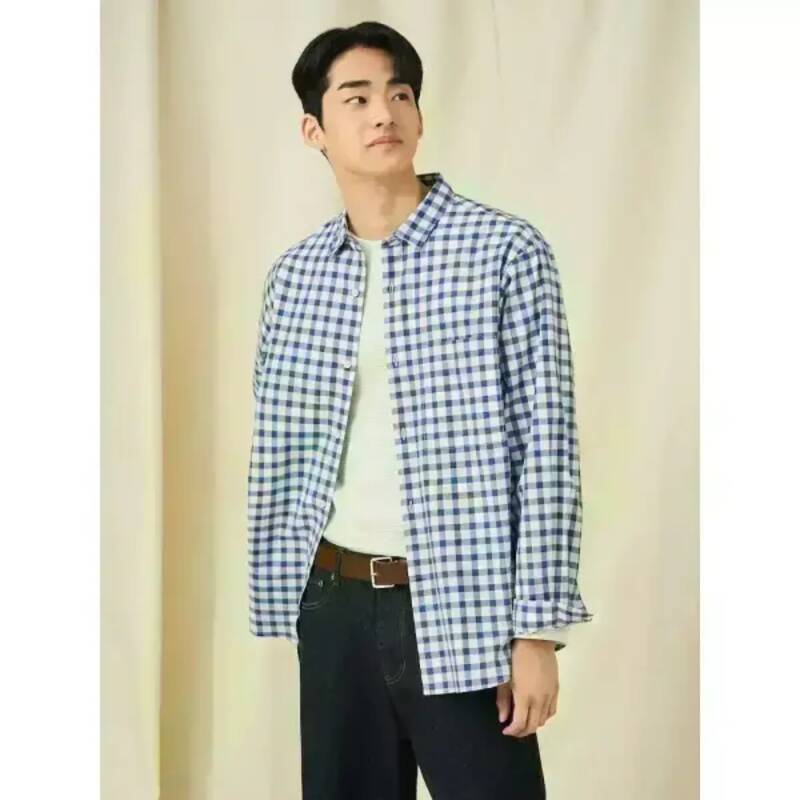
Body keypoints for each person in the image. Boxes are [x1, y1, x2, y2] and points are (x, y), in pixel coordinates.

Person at [248, 20, 594, 799]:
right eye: (357, 97)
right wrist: (293, 593)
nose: (384, 113)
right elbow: (282, 454)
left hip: (463, 601)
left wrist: (536, 631)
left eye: (399, 94)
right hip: (333, 602)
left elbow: (548, 448)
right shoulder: (295, 278)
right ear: (314, 129)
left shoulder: (502, 251)